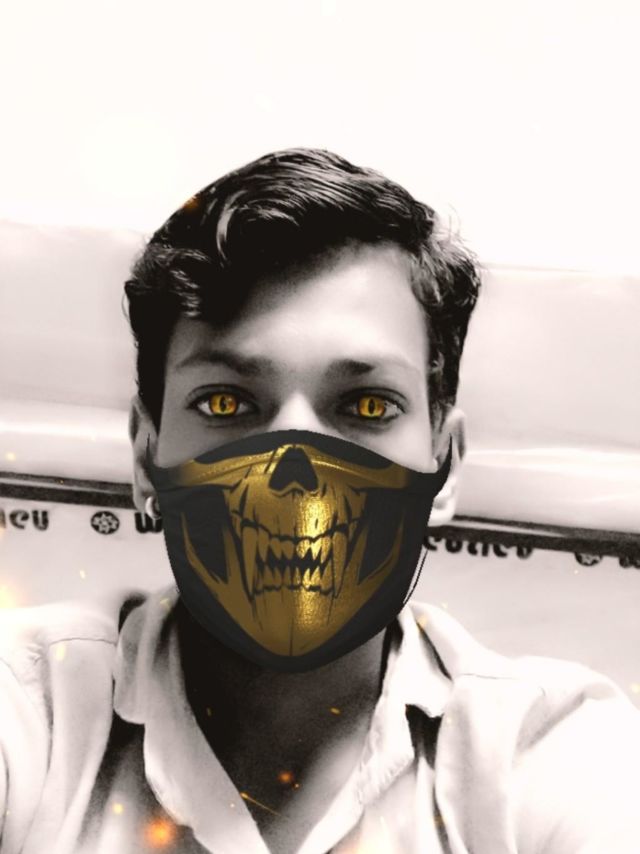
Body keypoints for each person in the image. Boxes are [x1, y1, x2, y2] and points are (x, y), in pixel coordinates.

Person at [1, 148, 638, 854]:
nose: (295, 474)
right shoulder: (30, 714)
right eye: (226, 402)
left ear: (446, 464)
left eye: (366, 405)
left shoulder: (555, 755)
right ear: (146, 454)